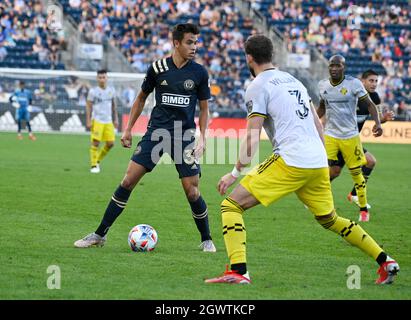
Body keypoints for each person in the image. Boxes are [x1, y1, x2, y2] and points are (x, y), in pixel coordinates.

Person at [205, 35, 399, 285]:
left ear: (248, 57)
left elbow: (252, 135)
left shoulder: (257, 86)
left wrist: (234, 172)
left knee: (230, 206)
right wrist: (320, 155)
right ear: (272, 55)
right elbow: (317, 123)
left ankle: (238, 271)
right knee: (330, 219)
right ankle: (385, 261)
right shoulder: (293, 80)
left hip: (291, 159)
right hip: (317, 161)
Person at [74, 23, 216, 252]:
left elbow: (204, 108)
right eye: (190, 42)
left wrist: (203, 137)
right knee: (128, 181)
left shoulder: (199, 72)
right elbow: (141, 98)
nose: (194, 47)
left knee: (192, 190)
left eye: (196, 42)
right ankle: (99, 235)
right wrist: (129, 128)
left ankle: (207, 239)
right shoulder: (158, 68)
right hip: (156, 134)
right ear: (176, 43)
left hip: (184, 136)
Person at [316, 55, 383, 222]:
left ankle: (363, 210)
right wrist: (312, 124)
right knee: (325, 170)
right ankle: (320, 202)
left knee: (356, 173)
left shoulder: (353, 84)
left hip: (350, 136)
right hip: (330, 135)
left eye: (338, 66)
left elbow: (369, 105)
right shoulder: (323, 85)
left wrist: (378, 123)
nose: (334, 68)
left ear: (343, 67)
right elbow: (322, 107)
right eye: (332, 65)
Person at [331, 70, 395, 208]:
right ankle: (316, 193)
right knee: (334, 172)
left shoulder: (374, 98)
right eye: (371, 81)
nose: (374, 84)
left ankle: (354, 194)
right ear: (362, 81)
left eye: (376, 81)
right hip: (339, 138)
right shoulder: (351, 96)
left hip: (352, 141)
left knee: (370, 161)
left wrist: (383, 120)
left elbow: (375, 117)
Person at [86, 69, 118, 173]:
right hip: (97, 120)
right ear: (97, 78)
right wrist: (88, 120)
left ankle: (97, 160)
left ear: (107, 78)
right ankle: (93, 165)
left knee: (111, 143)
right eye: (100, 77)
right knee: (95, 142)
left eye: (104, 77)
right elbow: (89, 106)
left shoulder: (111, 90)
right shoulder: (93, 91)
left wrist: (116, 119)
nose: (102, 79)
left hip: (108, 121)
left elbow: (114, 106)